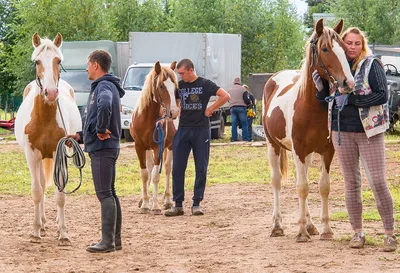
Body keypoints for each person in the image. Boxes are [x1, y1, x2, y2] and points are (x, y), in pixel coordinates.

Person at [312, 27, 397, 252]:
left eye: (356, 43)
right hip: (343, 132)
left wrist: (351, 101)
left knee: (378, 181)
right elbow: (328, 103)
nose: (352, 46)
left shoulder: (372, 65)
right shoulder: (336, 66)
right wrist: (321, 91)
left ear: (362, 45)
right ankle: (357, 232)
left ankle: (389, 233)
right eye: (348, 42)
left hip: (370, 131)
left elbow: (381, 95)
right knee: (351, 185)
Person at [67, 50, 125, 253]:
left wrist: (101, 130)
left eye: (88, 64)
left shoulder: (104, 86)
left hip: (103, 148)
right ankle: (114, 240)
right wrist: (81, 136)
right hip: (107, 146)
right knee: (110, 193)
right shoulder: (107, 85)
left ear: (96, 65)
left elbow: (105, 104)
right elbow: (98, 115)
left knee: (104, 194)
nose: (86, 68)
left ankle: (107, 242)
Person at [164, 58, 230, 216]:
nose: (180, 77)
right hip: (183, 129)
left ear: (190, 70)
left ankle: (196, 203)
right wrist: (172, 113)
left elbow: (225, 96)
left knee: (201, 167)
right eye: (178, 74)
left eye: (182, 73)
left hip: (201, 130)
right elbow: (175, 103)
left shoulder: (205, 84)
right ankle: (178, 204)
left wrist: (211, 108)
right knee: (178, 167)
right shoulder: (179, 86)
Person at [227, 77, 250, 142]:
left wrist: (231, 102)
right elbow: (246, 99)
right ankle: (245, 139)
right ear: (240, 82)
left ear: (234, 82)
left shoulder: (229, 90)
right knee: (244, 124)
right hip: (241, 108)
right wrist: (248, 104)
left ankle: (234, 139)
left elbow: (227, 98)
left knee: (234, 124)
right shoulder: (243, 89)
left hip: (232, 108)